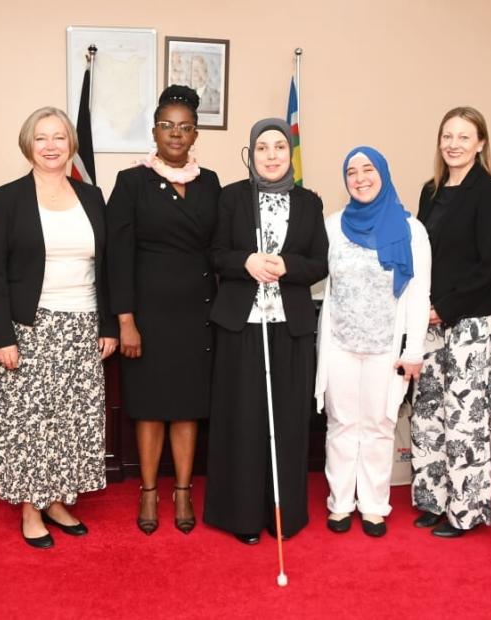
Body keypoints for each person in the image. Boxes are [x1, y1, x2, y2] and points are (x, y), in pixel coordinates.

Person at [0, 107, 118, 548]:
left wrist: (108, 324)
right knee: (31, 421)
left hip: (82, 325)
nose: (51, 146)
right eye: (41, 138)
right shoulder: (8, 197)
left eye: (59, 137)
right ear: (28, 144)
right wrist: (2, 336)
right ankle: (30, 508)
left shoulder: (92, 198)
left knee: (73, 419)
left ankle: (59, 499)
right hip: (30, 328)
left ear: (71, 144)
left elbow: (109, 268)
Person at [204, 118, 328, 544]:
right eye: (263, 147)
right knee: (241, 421)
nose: (272, 155)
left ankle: (283, 515)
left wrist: (288, 267)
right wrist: (246, 263)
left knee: (288, 423)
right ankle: (240, 516)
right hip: (241, 326)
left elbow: (320, 263)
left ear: (288, 154)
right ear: (251, 153)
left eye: (279, 147)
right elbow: (216, 253)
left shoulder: (310, 203)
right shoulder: (232, 198)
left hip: (288, 328)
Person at [106, 85, 221, 535]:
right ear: (154, 130)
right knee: (151, 407)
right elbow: (118, 256)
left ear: (196, 135)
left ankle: (184, 491)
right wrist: (126, 320)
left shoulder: (211, 183)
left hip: (198, 314)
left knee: (187, 408)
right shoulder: (131, 181)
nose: (176, 133)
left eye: (185, 127)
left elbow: (219, 248)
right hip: (148, 317)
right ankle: (150, 492)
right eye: (168, 125)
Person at [315, 146, 431, 537]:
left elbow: (418, 295)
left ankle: (374, 506)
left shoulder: (411, 230)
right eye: (352, 171)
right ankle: (341, 503)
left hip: (386, 348)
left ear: (383, 172)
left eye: (368, 169)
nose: (361, 178)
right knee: (342, 424)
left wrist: (413, 350)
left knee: (380, 425)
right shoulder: (332, 226)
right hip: (340, 344)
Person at [410, 107, 491, 537]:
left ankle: (465, 512)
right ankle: (433, 500)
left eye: (464, 137)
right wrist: (422, 306)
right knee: (428, 413)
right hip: (429, 320)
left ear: (481, 143)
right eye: (447, 136)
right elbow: (420, 257)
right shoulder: (430, 191)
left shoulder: (490, 190)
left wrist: (445, 307)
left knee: (465, 419)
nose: (453, 144)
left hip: (471, 320)